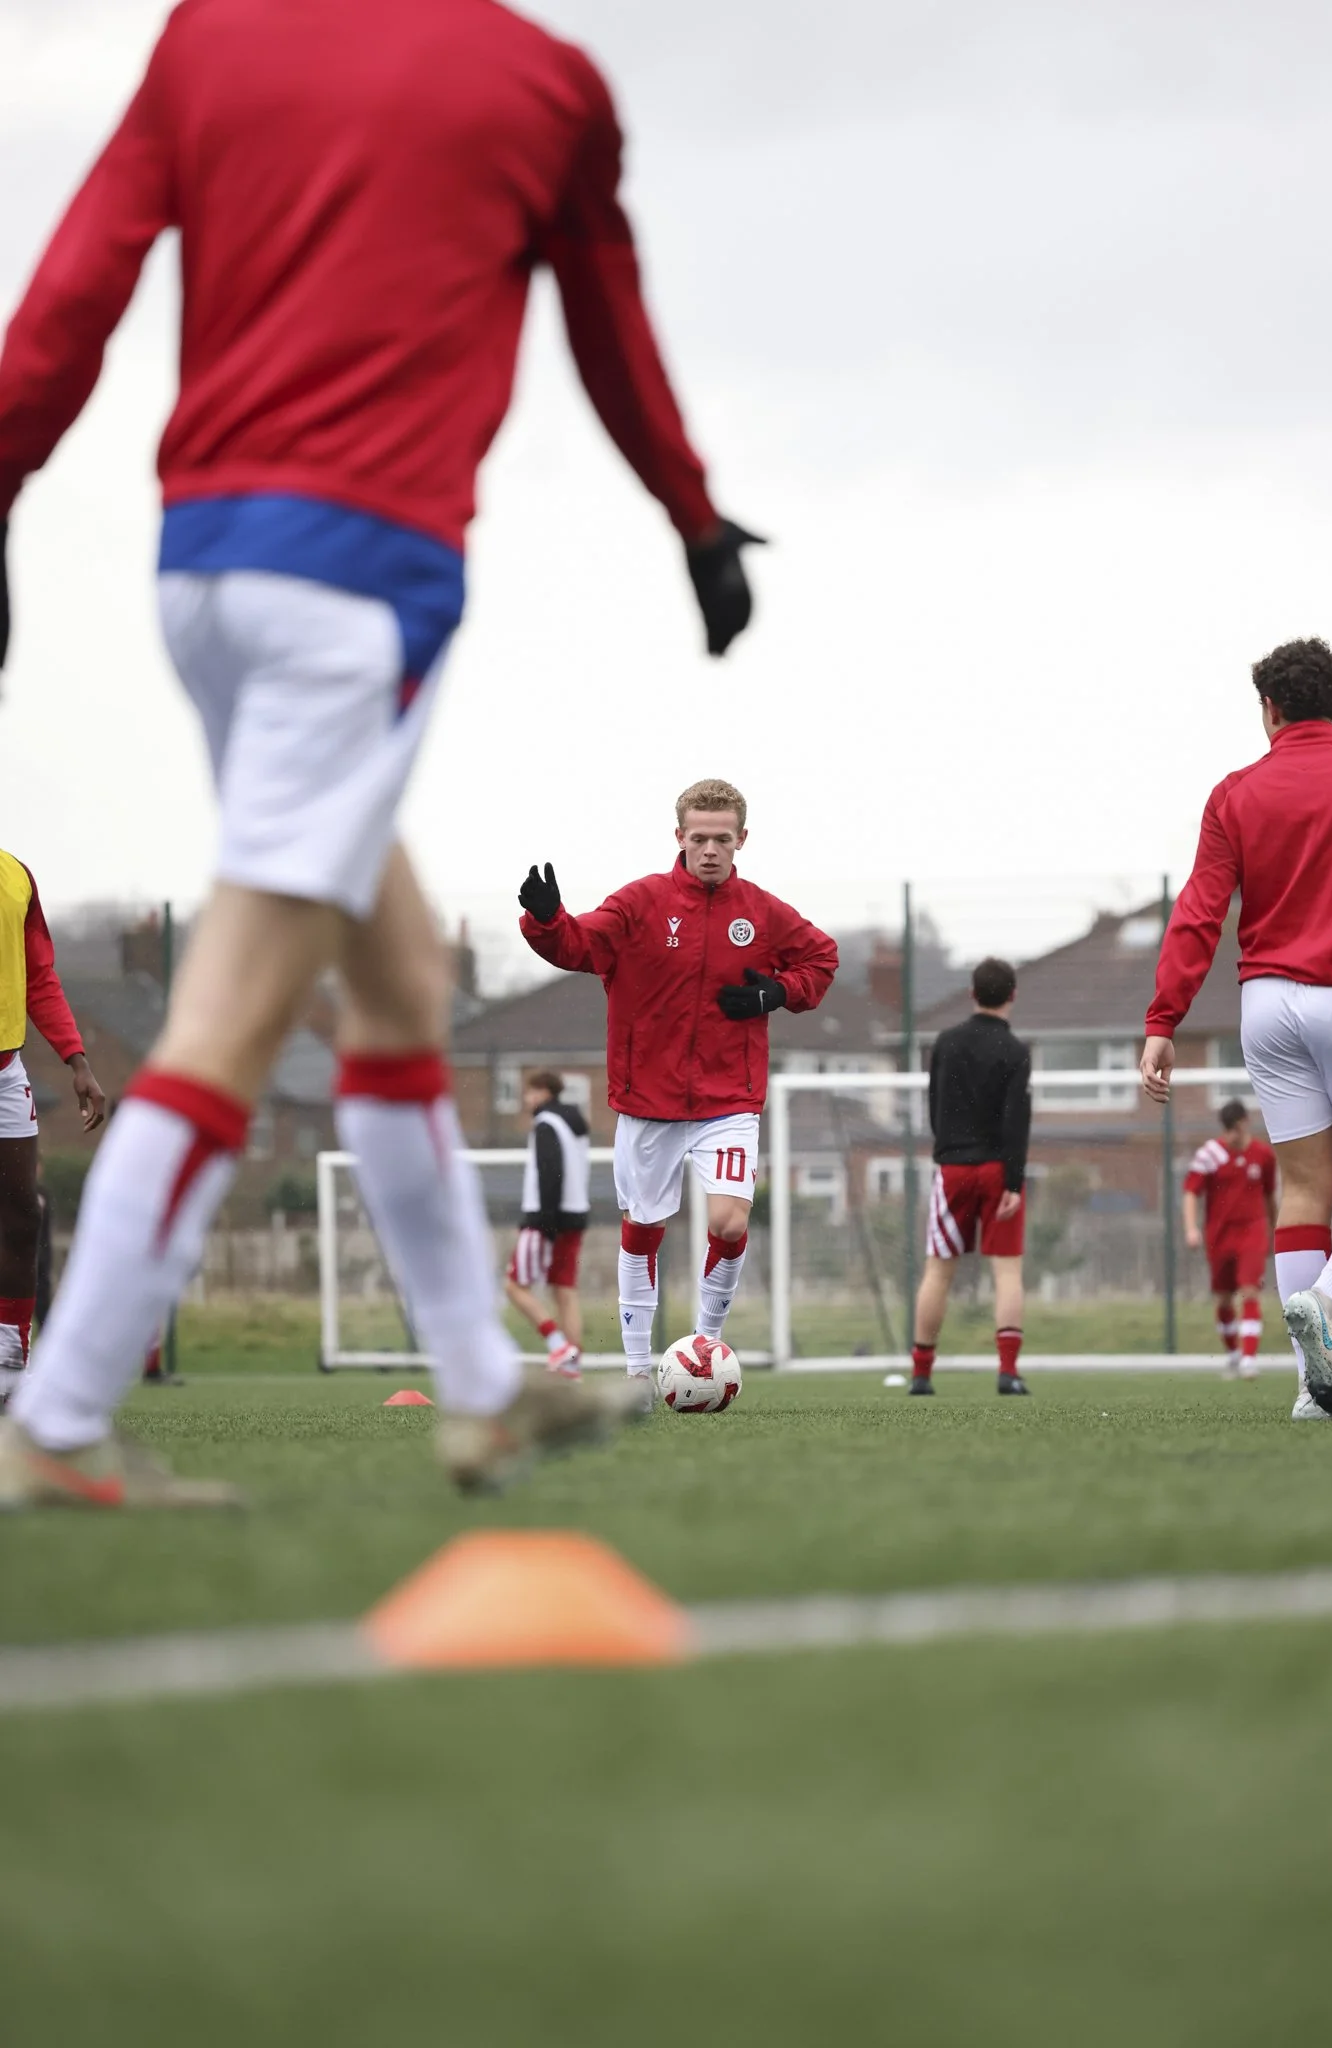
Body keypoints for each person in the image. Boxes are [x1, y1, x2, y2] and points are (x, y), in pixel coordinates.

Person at [0, 0, 762, 1507]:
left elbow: (81, 276)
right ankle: (57, 1420)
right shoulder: (542, 82)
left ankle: (483, 1396)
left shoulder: (207, 36)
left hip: (202, 567)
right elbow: (611, 327)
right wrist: (691, 514)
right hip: (355, 590)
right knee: (233, 1006)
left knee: (403, 978)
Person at [519, 779, 838, 1380]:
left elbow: (821, 958)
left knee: (730, 1222)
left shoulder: (763, 912)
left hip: (728, 1100)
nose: (711, 849)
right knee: (643, 1229)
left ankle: (704, 1348)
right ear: (679, 837)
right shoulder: (641, 903)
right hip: (649, 1101)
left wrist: (777, 990)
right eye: (699, 838)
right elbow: (579, 944)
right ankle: (639, 1373)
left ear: (742, 839)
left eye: (723, 839)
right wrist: (545, 919)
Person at [1141, 635, 1332, 1421]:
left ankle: (1314, 1392)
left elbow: (1199, 913)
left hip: (1266, 1004)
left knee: (1303, 1185)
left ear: (1269, 709)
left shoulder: (1235, 792)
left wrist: (1164, 1018)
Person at [0, 852, 105, 1407]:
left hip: (4, 1072)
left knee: (21, 1215)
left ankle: (10, 1368)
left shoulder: (15, 876)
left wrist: (77, 1059)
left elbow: (39, 976)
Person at [911, 958, 1031, 1397]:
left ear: (972, 993)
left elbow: (933, 1103)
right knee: (1007, 1272)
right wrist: (1015, 1183)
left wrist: (946, 1150)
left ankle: (922, 1375)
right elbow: (1018, 1121)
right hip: (998, 1171)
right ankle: (1008, 1372)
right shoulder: (1016, 1051)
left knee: (938, 1272)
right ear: (1013, 995)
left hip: (954, 1169)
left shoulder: (946, 1042)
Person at [1182, 1099, 1277, 1380]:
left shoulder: (1263, 1155)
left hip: (1252, 1231)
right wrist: (1191, 1228)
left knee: (1250, 1291)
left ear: (1245, 1123)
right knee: (1224, 1300)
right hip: (1219, 1236)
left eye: (1236, 1128)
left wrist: (1275, 1228)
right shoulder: (1209, 1155)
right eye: (1228, 1130)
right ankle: (1234, 1354)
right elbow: (1190, 1192)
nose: (1233, 1135)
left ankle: (1249, 1358)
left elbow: (1270, 1196)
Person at [505, 1071, 591, 1378]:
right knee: (564, 1289)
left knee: (514, 1285)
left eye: (529, 1092)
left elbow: (550, 1172)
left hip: (546, 1218)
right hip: (576, 1214)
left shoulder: (546, 1124)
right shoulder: (574, 1121)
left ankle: (558, 1345)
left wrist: (545, 1223)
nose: (526, 1100)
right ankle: (572, 1363)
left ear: (542, 1092)